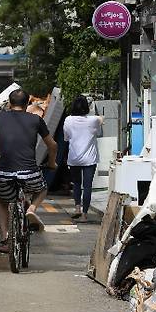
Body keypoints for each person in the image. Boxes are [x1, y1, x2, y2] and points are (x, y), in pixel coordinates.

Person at [0, 89, 58, 254]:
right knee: (41, 188)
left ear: (9, 103)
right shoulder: (36, 119)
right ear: (27, 103)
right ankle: (31, 209)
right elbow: (53, 145)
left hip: (4, 173)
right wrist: (51, 163)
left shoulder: (0, 118)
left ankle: (5, 239)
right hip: (29, 173)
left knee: (3, 202)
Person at [63, 95, 103, 223]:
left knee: (76, 184)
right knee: (87, 186)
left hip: (74, 158)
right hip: (89, 159)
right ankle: (85, 214)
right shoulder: (93, 120)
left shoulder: (68, 120)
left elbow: (66, 138)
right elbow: (101, 120)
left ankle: (77, 208)